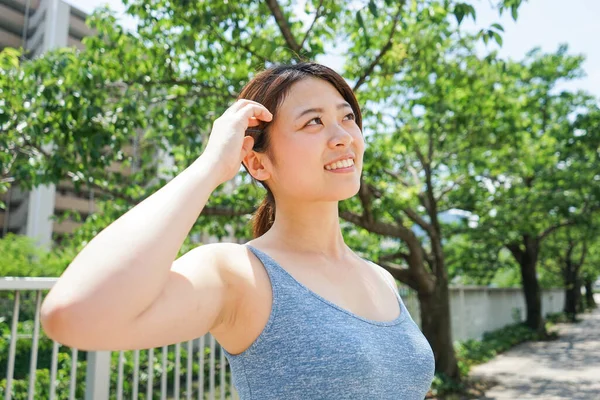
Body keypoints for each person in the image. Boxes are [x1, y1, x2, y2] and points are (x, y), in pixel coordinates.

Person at [41, 62, 435, 399]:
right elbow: (73, 314)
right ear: (258, 163)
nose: (343, 137)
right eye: (313, 121)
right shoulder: (240, 274)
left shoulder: (380, 277)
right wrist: (211, 165)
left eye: (347, 117)